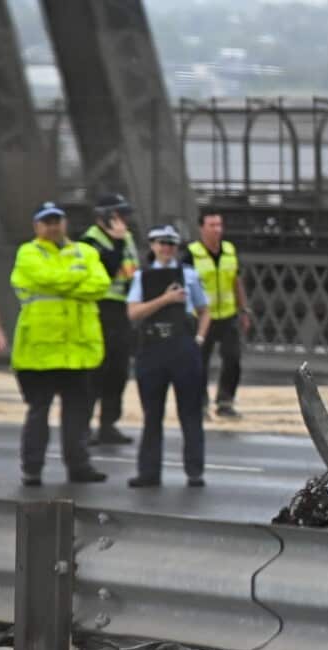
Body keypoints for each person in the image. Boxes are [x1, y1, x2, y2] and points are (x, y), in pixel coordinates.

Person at [10, 202, 110, 487]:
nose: (53, 227)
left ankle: (79, 466)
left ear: (64, 223)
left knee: (77, 413)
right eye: (47, 222)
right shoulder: (28, 253)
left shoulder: (85, 251)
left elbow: (100, 283)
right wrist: (77, 279)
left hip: (77, 351)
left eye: (57, 221)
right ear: (37, 226)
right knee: (38, 411)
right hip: (40, 351)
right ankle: (32, 469)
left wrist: (64, 283)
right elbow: (44, 278)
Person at [126, 224, 210, 488]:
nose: (166, 248)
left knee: (190, 412)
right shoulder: (141, 276)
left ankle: (195, 471)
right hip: (152, 347)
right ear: (153, 245)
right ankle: (149, 472)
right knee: (152, 414)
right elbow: (134, 313)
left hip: (182, 346)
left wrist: (199, 338)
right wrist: (166, 299)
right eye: (162, 243)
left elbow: (204, 310)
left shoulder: (190, 274)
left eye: (171, 244)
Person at [80, 193, 139, 445]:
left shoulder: (127, 238)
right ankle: (83, 427)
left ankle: (108, 424)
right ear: (105, 217)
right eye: (119, 215)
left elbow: (133, 271)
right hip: (98, 310)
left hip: (121, 310)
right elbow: (105, 272)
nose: (124, 220)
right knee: (95, 371)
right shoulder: (89, 242)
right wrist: (116, 243)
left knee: (118, 371)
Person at [184, 211, 250, 418]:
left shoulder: (230, 250)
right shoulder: (191, 254)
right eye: (212, 225)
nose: (217, 230)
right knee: (199, 362)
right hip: (202, 317)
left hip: (228, 315)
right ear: (201, 228)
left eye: (219, 225)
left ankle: (225, 402)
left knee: (233, 358)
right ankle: (200, 404)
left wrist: (243, 309)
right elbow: (185, 286)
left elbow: (236, 281)